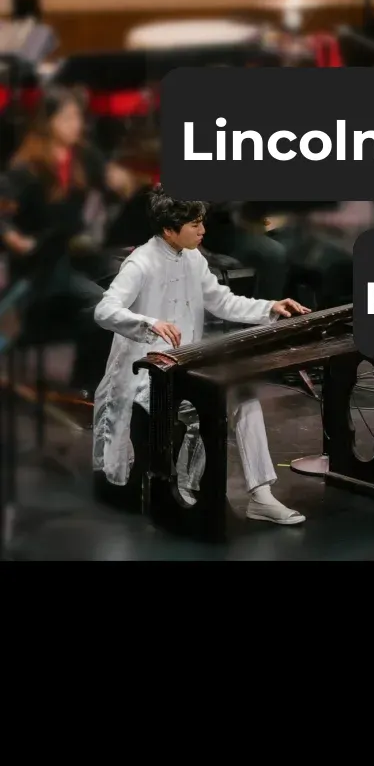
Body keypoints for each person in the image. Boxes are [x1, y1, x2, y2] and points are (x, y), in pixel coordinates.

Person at [92, 187, 311, 525]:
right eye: (195, 225)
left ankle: (261, 495)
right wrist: (148, 323)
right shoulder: (141, 264)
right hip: (147, 374)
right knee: (204, 406)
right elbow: (105, 311)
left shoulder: (193, 258)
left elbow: (222, 301)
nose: (203, 230)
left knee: (244, 398)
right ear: (169, 230)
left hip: (186, 364)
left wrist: (270, 307)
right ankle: (187, 489)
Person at [1, 87, 132, 394]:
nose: (77, 124)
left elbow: (115, 180)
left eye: (78, 117)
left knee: (128, 278)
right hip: (41, 266)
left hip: (75, 256)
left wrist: (123, 182)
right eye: (69, 117)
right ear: (49, 122)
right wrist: (15, 239)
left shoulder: (82, 156)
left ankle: (95, 372)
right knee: (104, 305)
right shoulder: (27, 167)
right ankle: (88, 384)